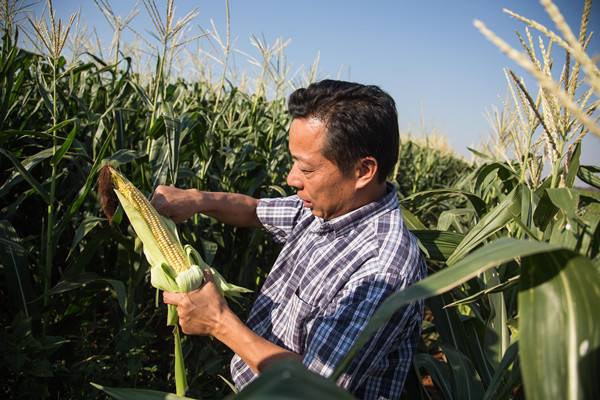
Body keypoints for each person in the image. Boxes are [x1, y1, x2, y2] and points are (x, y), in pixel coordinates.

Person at [152, 79, 426, 399]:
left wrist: (219, 322)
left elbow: (315, 389)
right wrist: (196, 199)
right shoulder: (325, 206)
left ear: (363, 171)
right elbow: (254, 210)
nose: (291, 178)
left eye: (306, 169)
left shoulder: (383, 272)